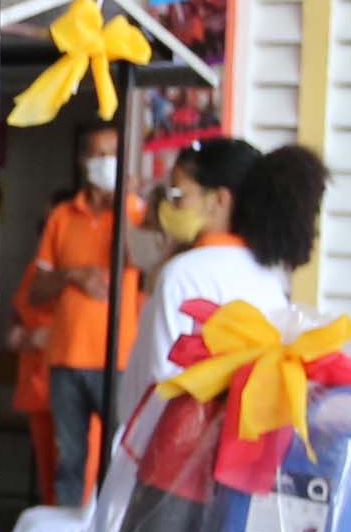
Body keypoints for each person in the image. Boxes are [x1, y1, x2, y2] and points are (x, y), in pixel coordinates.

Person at [16, 119, 141, 504]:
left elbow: (142, 260)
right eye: (97, 154)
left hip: (117, 358)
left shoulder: (137, 212)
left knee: (121, 454)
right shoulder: (62, 216)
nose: (104, 162)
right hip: (66, 357)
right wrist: (72, 276)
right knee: (69, 459)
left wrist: (123, 203)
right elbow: (36, 288)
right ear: (82, 160)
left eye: (111, 155)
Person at [123, 134, 277, 402]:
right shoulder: (267, 276)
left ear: (219, 200)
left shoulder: (183, 275)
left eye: (178, 195)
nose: (169, 207)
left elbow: (162, 382)